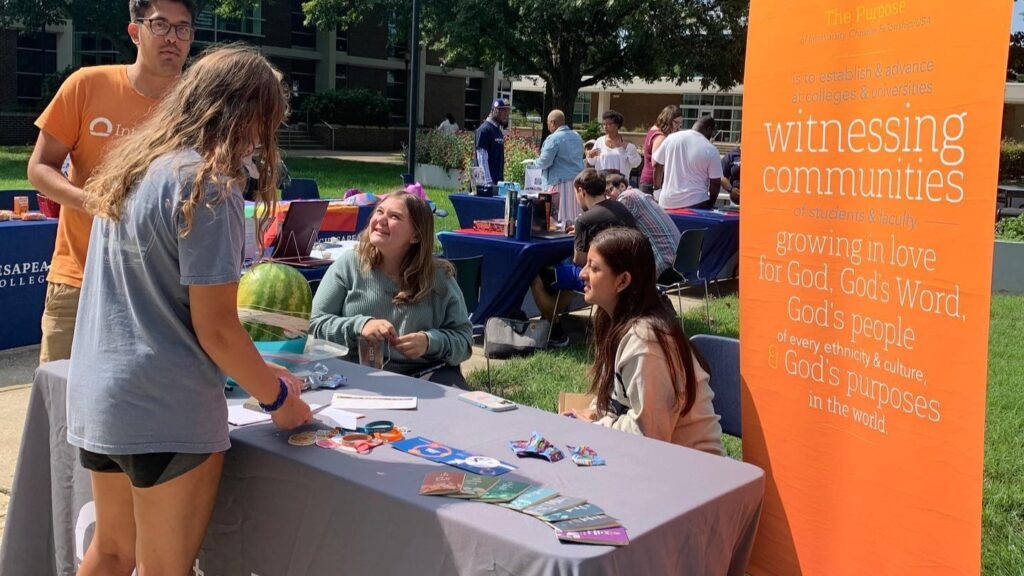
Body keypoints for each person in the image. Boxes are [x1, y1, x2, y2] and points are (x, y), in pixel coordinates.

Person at [67, 45, 313, 576]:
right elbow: (217, 328)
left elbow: (159, 302)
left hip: (101, 397)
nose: (264, 139)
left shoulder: (135, 169)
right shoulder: (207, 185)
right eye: (268, 122)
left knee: (109, 552)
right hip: (165, 410)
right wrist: (278, 401)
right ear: (247, 115)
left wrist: (259, 371)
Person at [27, 0, 195, 364]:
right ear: (135, 31)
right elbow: (40, 167)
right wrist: (91, 201)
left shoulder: (196, 108)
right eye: (161, 25)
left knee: (141, 413)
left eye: (182, 29)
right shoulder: (87, 85)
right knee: (59, 404)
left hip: (158, 292)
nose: (172, 38)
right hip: (78, 278)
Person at [569, 227, 724, 455]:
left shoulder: (646, 341)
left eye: (594, 268)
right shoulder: (614, 322)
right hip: (656, 462)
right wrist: (593, 413)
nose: (582, 273)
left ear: (622, 281)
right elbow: (618, 399)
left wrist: (595, 427)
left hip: (691, 471)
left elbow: (650, 436)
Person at [310, 192, 474, 387]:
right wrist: (360, 326)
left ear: (415, 235)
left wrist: (429, 342)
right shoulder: (349, 264)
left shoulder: (439, 277)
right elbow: (315, 324)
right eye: (379, 211)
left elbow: (464, 341)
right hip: (358, 377)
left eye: (394, 216)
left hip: (426, 377)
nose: (381, 220)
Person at [530, 168, 636, 348]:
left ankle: (554, 328)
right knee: (564, 270)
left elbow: (579, 262)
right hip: (629, 273)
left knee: (537, 275)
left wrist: (579, 236)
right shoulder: (621, 208)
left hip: (603, 278)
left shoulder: (585, 220)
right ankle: (554, 321)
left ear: (581, 191)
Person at [605, 173, 681, 281]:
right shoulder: (638, 194)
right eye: (605, 194)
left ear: (622, 186)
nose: (608, 197)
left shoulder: (627, 197)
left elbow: (614, 229)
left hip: (664, 264)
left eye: (610, 191)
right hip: (679, 260)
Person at [652, 115, 723, 210]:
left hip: (667, 202)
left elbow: (657, 165)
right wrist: (711, 203)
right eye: (713, 132)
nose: (713, 136)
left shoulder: (671, 138)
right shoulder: (711, 149)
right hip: (696, 203)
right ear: (709, 129)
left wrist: (657, 190)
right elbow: (715, 183)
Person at [532, 109, 584, 226]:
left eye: (548, 123)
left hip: (559, 184)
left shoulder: (553, 138)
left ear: (553, 123)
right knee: (574, 218)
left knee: (558, 220)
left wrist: (535, 161)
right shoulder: (577, 136)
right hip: (577, 183)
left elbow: (544, 162)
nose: (548, 126)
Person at [639, 105, 683, 194]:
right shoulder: (660, 136)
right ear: (668, 120)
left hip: (649, 181)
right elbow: (656, 163)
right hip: (653, 183)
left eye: (680, 123)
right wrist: (657, 189)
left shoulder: (654, 130)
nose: (678, 127)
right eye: (676, 123)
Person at [585, 110, 641, 179]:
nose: (605, 126)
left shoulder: (627, 145)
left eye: (609, 124)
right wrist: (590, 155)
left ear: (617, 125)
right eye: (604, 124)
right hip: (602, 183)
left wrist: (629, 148)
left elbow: (636, 163)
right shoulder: (599, 141)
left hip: (620, 184)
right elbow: (592, 162)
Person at [475, 98, 511, 186]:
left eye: (507, 111)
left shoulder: (498, 131)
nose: (506, 114)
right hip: (485, 186)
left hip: (496, 183)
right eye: (503, 111)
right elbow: (482, 158)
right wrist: (488, 183)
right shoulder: (484, 130)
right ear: (494, 110)